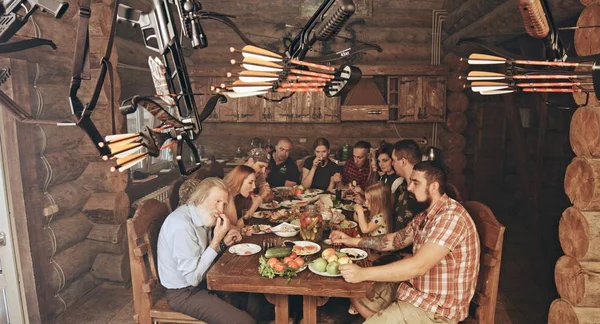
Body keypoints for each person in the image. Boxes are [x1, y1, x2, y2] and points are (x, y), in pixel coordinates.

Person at [331, 161, 480, 323]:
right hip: (415, 292)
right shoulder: (426, 215)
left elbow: (418, 266)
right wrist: (352, 241)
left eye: (415, 183)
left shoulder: (450, 217)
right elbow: (396, 240)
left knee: (360, 287)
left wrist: (362, 273)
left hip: (436, 309)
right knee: (355, 293)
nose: (409, 188)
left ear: (434, 187)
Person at [157, 177, 256, 324]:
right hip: (185, 293)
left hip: (204, 282)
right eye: (217, 201)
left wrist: (222, 244)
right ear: (201, 198)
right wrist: (216, 240)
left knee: (256, 302)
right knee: (245, 322)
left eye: (224, 204)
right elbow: (192, 278)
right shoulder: (182, 226)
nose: (221, 209)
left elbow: (202, 255)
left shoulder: (201, 216)